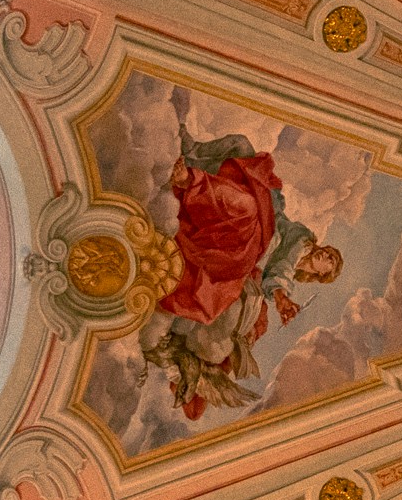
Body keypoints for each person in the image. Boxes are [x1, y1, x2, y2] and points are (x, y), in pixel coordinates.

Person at [138, 131, 342, 422]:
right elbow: (284, 251)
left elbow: (279, 273)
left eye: (329, 266)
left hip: (251, 247)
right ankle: (191, 156)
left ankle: (190, 182)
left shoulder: (288, 272)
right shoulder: (303, 239)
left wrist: (280, 297)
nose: (327, 259)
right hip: (265, 224)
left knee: (244, 208)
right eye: (331, 255)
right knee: (241, 150)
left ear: (318, 275)